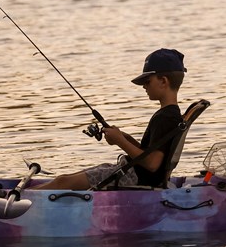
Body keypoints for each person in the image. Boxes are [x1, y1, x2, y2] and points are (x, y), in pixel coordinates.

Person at [33, 48, 187, 191]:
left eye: (147, 81)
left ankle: (23, 199)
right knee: (64, 179)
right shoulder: (170, 114)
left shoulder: (165, 117)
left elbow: (152, 164)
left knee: (63, 182)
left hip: (135, 177)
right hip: (133, 171)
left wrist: (120, 141)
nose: (144, 86)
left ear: (163, 81)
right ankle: (26, 194)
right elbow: (150, 153)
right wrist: (124, 137)